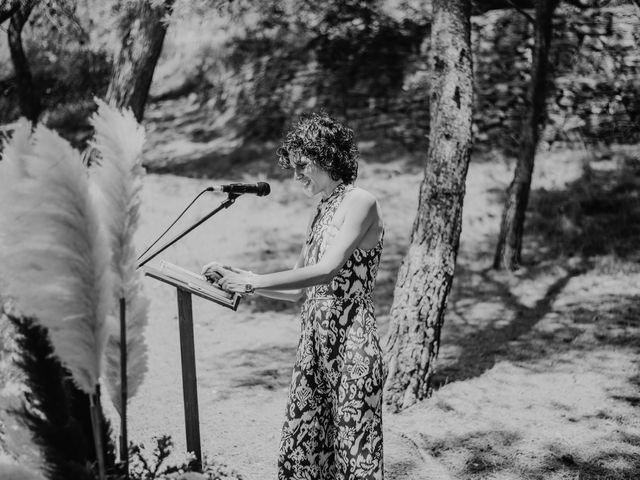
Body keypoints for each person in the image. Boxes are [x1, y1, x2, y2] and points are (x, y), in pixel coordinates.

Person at [202, 112, 385, 480]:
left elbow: (328, 269)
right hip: (313, 345)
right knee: (303, 449)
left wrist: (253, 283)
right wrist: (241, 276)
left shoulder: (361, 201)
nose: (296, 174)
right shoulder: (321, 209)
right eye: (292, 166)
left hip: (352, 343)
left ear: (327, 157)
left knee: (354, 453)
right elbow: (301, 291)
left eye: (302, 165)